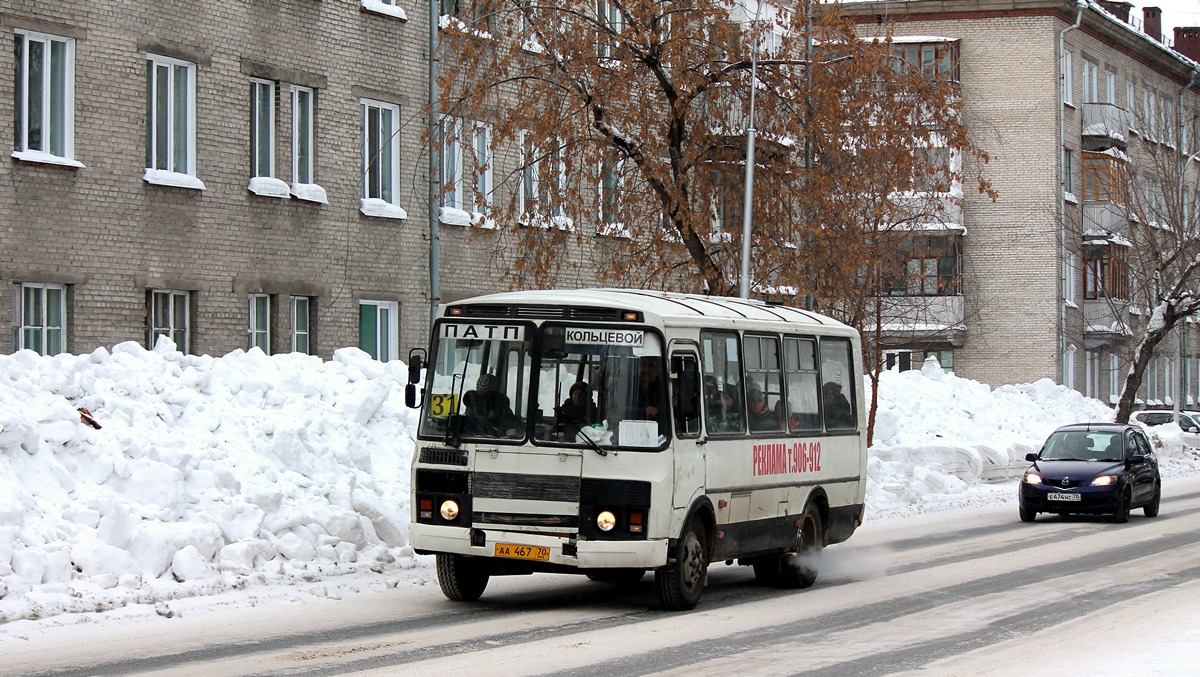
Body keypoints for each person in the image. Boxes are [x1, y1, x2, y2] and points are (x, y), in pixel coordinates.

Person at [634, 358, 665, 430]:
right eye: (643, 365)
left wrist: (656, 411)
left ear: (657, 371)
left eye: (650, 366)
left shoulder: (663, 390)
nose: (645, 369)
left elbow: (665, 413)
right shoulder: (630, 386)